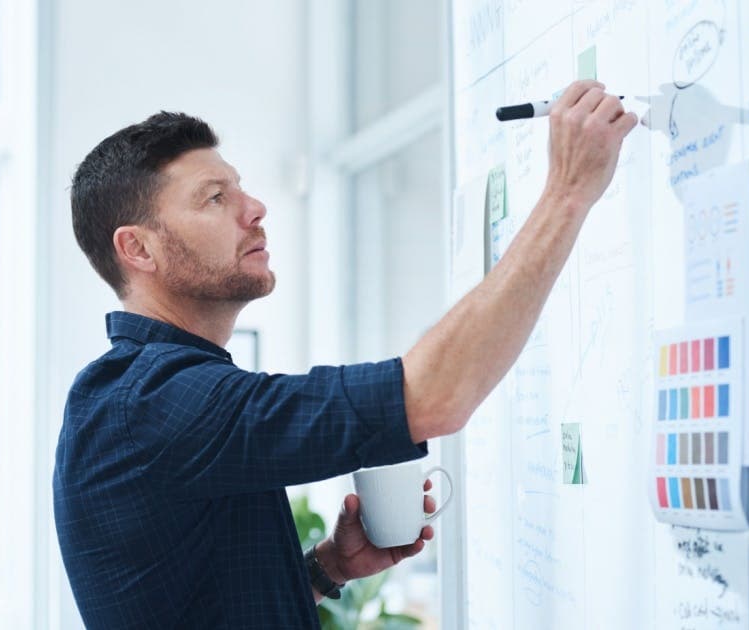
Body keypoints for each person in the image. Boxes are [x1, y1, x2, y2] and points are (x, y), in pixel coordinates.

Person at [54, 79, 636, 628]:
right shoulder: (156, 402)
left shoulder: (156, 392)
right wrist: (566, 193)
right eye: (214, 198)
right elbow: (434, 395)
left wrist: (327, 567)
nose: (254, 207)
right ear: (138, 248)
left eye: (240, 187)